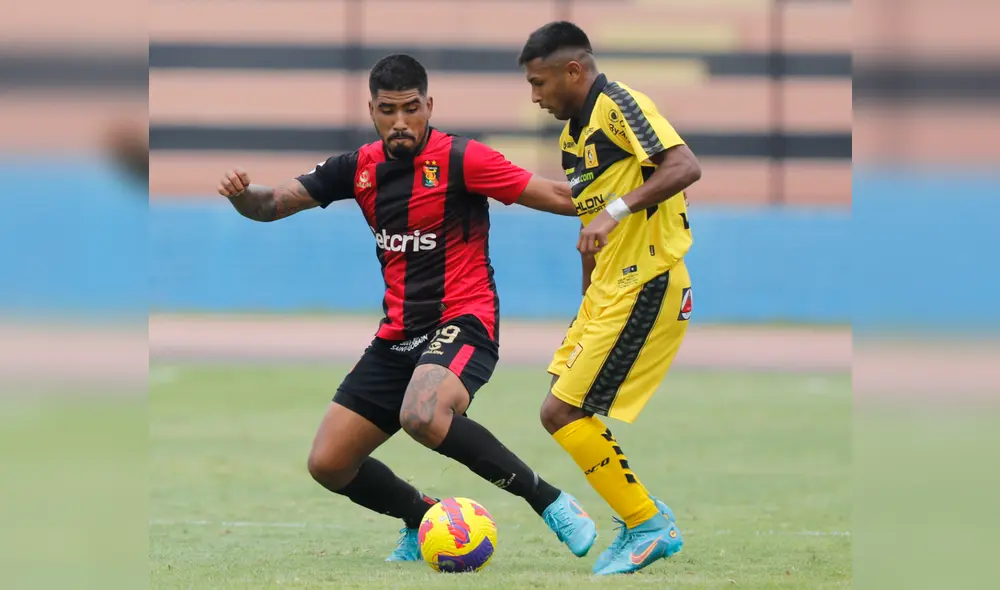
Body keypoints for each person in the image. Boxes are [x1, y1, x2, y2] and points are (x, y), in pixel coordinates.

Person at [215, 53, 598, 562]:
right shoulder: (356, 168)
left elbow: (555, 194)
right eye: (388, 110)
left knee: (423, 413)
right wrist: (243, 197)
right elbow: (272, 204)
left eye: (411, 109)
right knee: (329, 463)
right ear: (371, 110)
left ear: (429, 105)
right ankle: (422, 518)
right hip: (398, 335)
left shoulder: (464, 159)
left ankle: (550, 502)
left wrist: (632, 195)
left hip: (465, 320)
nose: (401, 122)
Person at [517, 22, 703, 575]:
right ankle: (641, 513)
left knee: (562, 410)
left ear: (573, 70)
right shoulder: (574, 136)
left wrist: (614, 212)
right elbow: (587, 228)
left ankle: (648, 523)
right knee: (559, 406)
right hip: (609, 289)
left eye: (539, 82)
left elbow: (685, 165)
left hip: (647, 279)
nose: (535, 96)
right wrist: (584, 305)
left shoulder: (619, 103)